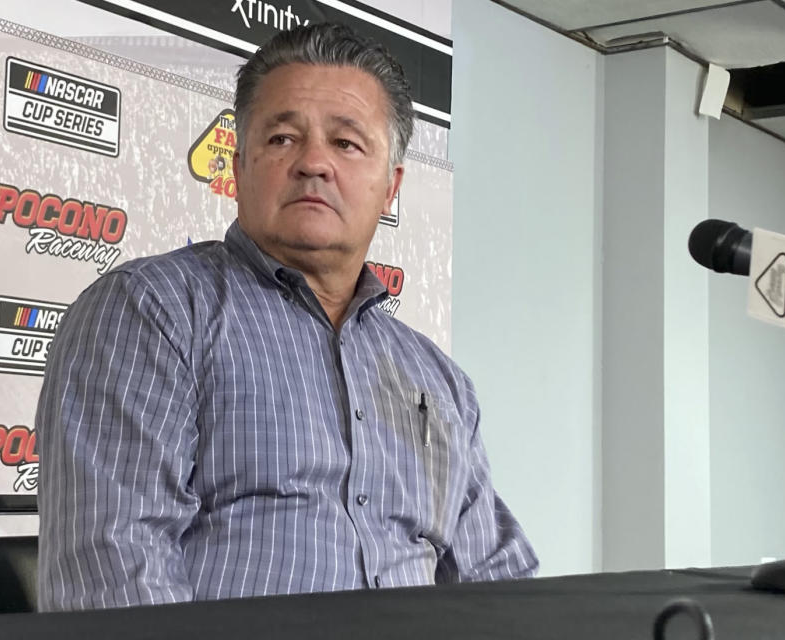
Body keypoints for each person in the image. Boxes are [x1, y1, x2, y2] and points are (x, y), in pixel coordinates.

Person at [36, 22, 538, 612]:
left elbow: (499, 583)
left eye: (347, 144)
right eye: (281, 139)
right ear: (240, 164)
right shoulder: (153, 312)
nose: (314, 164)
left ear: (390, 188)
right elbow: (114, 574)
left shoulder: (439, 379)